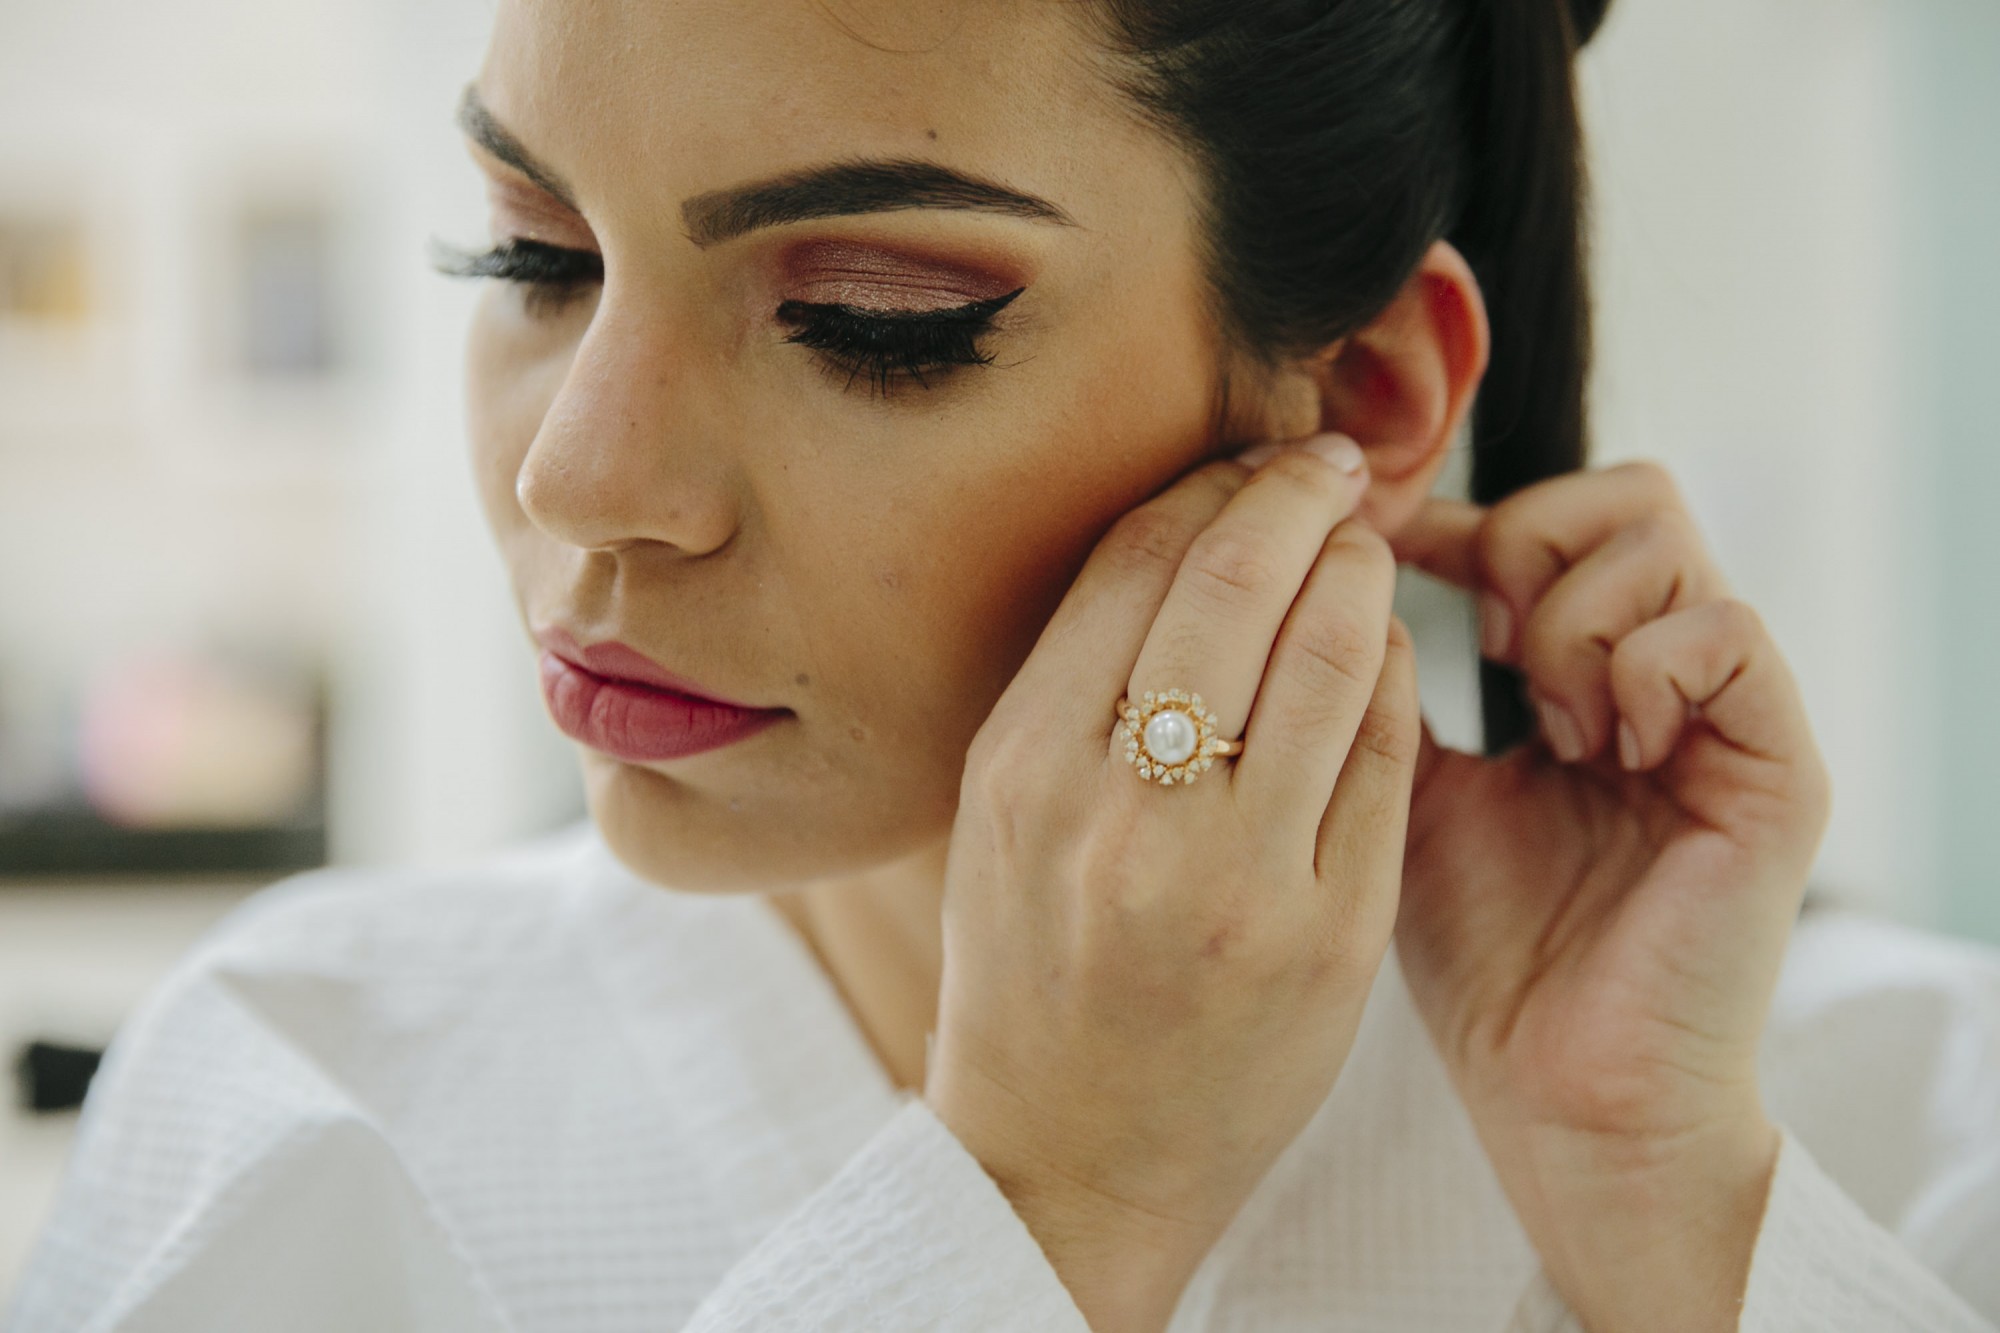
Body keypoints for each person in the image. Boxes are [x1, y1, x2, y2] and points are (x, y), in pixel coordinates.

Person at [8, 0, 1998, 1329]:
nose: (581, 475)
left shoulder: (1906, 1120)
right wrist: (1040, 1199)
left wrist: (1665, 1196)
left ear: (1373, 390)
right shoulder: (301, 1089)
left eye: (874, 315)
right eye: (529, 258)